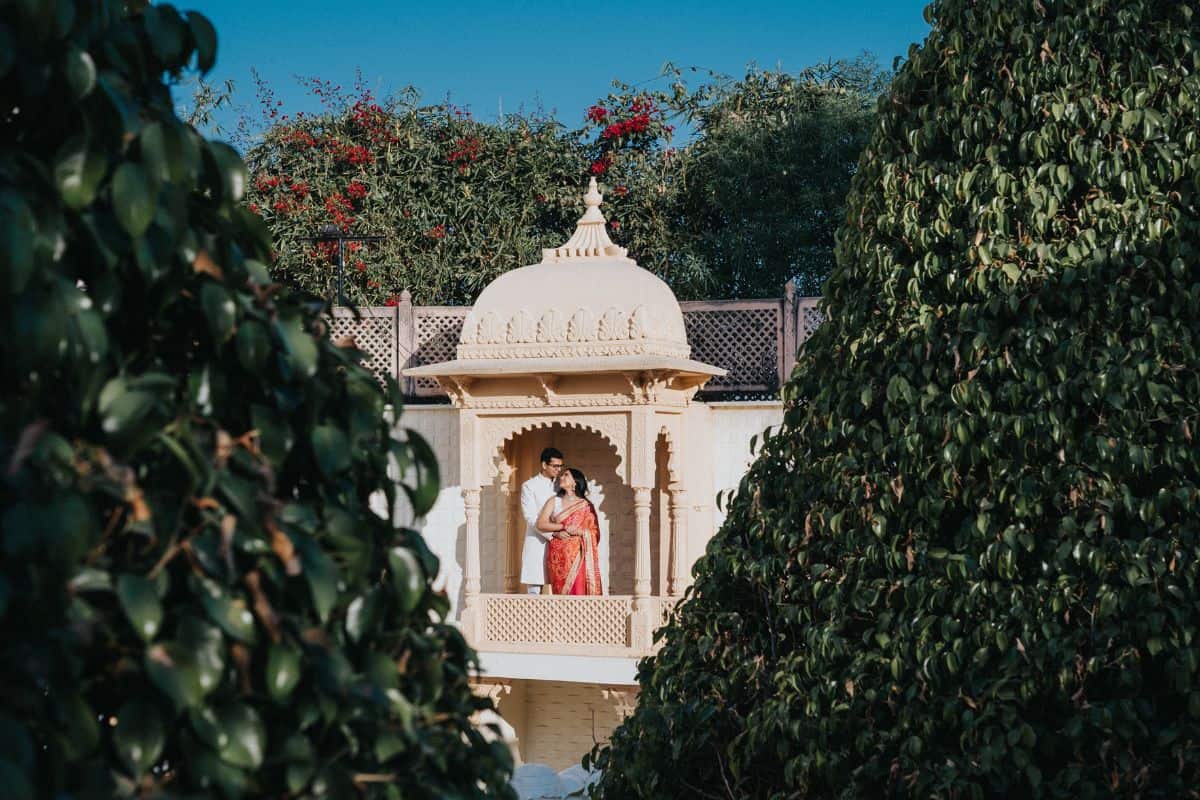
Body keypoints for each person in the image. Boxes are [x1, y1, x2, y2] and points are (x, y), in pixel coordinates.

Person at [537, 467, 603, 596]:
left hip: (579, 555)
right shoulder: (554, 501)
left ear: (575, 482)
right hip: (558, 556)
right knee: (560, 594)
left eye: (566, 475)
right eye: (562, 475)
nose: (561, 477)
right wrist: (561, 528)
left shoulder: (586, 506)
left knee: (578, 591)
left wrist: (579, 531)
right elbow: (541, 524)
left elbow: (595, 532)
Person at [519, 447, 563, 593]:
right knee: (534, 591)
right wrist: (552, 535)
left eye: (560, 466)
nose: (558, 469)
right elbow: (531, 517)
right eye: (555, 466)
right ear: (544, 465)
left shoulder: (561, 486)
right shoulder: (529, 486)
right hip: (537, 541)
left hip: (562, 543)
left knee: (559, 588)